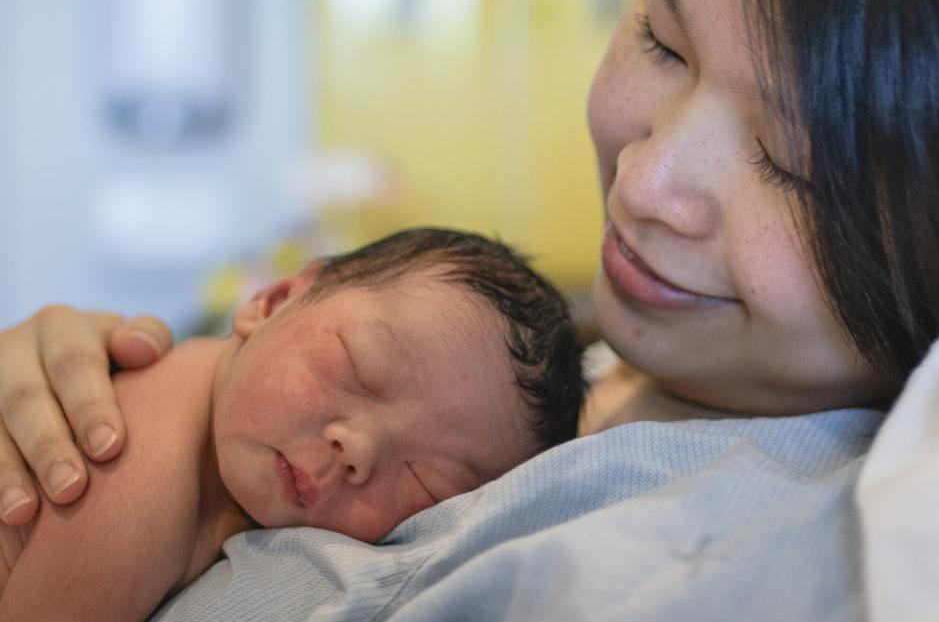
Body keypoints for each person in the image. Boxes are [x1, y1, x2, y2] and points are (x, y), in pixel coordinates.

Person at [0, 0, 939, 619]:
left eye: (795, 166)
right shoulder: (573, 378)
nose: (646, 178)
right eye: (661, 35)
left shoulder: (760, 551)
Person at [0, 227, 584, 621]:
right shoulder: (139, 452)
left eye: (428, 483)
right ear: (273, 300)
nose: (355, 447)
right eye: (360, 367)